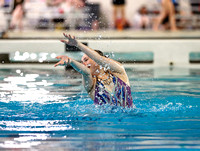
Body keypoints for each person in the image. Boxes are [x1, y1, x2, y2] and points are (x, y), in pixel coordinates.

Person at [54, 33, 133, 108]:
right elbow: (86, 73)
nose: (84, 64)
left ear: (96, 61)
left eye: (86, 60)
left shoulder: (118, 72)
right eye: (82, 62)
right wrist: (70, 61)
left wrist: (78, 44)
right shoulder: (92, 85)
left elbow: (100, 59)